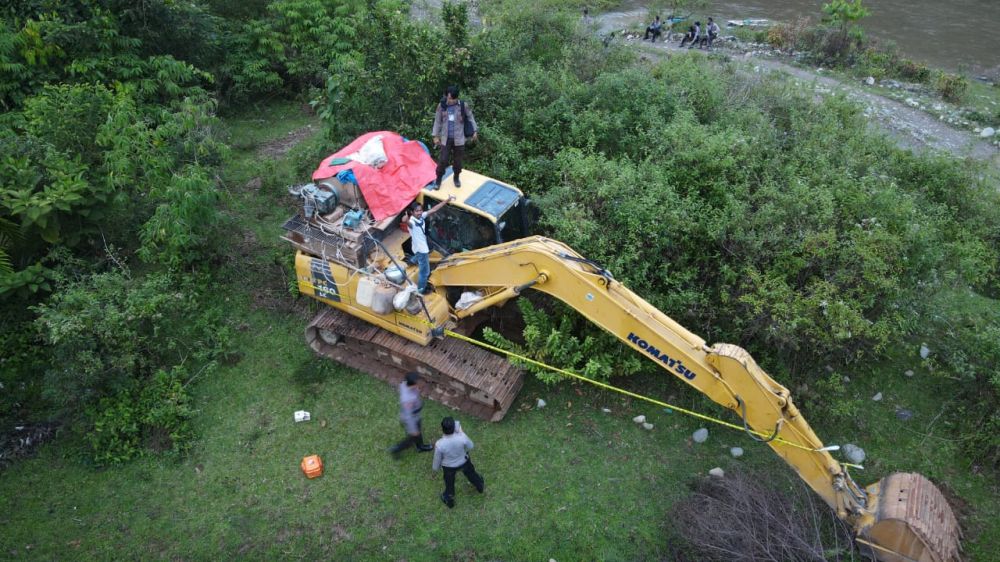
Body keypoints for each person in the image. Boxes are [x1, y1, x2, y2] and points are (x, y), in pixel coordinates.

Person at [431, 85, 478, 189]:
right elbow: (437, 121)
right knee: (443, 160)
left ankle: (456, 177)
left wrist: (475, 130)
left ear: (456, 98)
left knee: (458, 162)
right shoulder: (441, 106)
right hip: (445, 139)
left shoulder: (463, 106)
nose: (449, 100)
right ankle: (438, 179)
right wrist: (435, 136)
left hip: (459, 139)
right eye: (448, 98)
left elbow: (470, 117)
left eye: (451, 99)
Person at [432, 417, 484, 508]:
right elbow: (470, 446)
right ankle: (479, 485)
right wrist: (461, 432)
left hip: (448, 466)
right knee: (472, 474)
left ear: (442, 429)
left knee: (449, 482)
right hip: (464, 461)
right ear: (454, 428)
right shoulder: (461, 437)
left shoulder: (439, 444)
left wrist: (435, 468)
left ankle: (449, 498)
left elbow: (437, 458)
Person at [408, 196, 454, 295]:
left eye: (420, 210)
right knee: (424, 273)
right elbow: (408, 223)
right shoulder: (411, 222)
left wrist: (446, 200)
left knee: (429, 247)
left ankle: (412, 260)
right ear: (412, 212)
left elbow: (434, 209)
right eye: (417, 211)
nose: (419, 212)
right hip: (421, 250)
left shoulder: (421, 217)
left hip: (420, 244)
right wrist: (404, 220)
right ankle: (420, 290)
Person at [389, 372, 434, 457]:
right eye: (417, 382)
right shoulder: (408, 399)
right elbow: (408, 416)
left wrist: (415, 389)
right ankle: (396, 449)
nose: (419, 383)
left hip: (415, 416)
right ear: (412, 384)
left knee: (418, 433)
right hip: (412, 419)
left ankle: (419, 446)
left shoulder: (404, 384)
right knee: (412, 438)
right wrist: (413, 430)